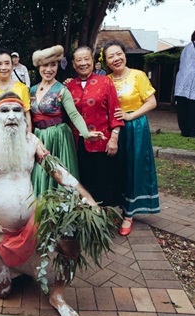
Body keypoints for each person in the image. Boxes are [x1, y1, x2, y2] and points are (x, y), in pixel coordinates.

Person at [0, 92, 99, 316]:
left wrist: (89, 198)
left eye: (17, 110)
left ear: (24, 116)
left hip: (33, 224)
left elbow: (57, 170)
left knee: (71, 237)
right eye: (5, 111)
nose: (12, 116)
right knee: (4, 292)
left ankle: (58, 296)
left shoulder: (32, 141)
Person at [102, 39, 160, 236]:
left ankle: (129, 213)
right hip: (113, 129)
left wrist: (129, 116)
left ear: (125, 55)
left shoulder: (138, 75)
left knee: (134, 166)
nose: (116, 58)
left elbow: (151, 102)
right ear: (106, 62)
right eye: (111, 56)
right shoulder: (106, 80)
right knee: (115, 167)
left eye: (119, 54)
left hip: (135, 127)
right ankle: (117, 204)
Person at [30, 44, 104, 195]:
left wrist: (86, 133)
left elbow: (74, 114)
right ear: (39, 67)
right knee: (40, 173)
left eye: (53, 65)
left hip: (59, 138)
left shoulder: (62, 90)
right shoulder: (31, 89)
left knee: (60, 175)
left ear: (58, 66)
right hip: (39, 138)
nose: (49, 69)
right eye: (45, 65)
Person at [66, 46, 125, 208]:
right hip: (78, 144)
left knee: (104, 182)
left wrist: (114, 137)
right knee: (84, 183)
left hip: (103, 143)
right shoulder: (69, 87)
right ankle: (87, 219)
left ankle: (105, 218)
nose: (83, 63)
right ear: (73, 63)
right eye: (79, 60)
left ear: (93, 61)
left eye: (87, 59)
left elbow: (115, 111)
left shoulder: (105, 82)